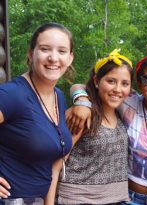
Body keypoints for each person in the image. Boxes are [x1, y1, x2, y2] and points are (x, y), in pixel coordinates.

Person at [67, 48, 147, 205]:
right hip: (129, 197)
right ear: (138, 83)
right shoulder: (129, 103)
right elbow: (82, 86)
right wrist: (82, 101)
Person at [0, 22, 74, 204]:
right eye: (45, 49)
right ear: (30, 53)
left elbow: (50, 164)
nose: (53, 58)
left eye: (62, 51)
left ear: (70, 58)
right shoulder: (12, 95)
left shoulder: (58, 96)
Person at [49, 49, 133, 205]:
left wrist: (79, 95)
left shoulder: (122, 112)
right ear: (96, 81)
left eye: (125, 84)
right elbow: (55, 164)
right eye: (111, 81)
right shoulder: (82, 115)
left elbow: (78, 86)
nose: (117, 89)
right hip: (79, 199)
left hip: (118, 199)